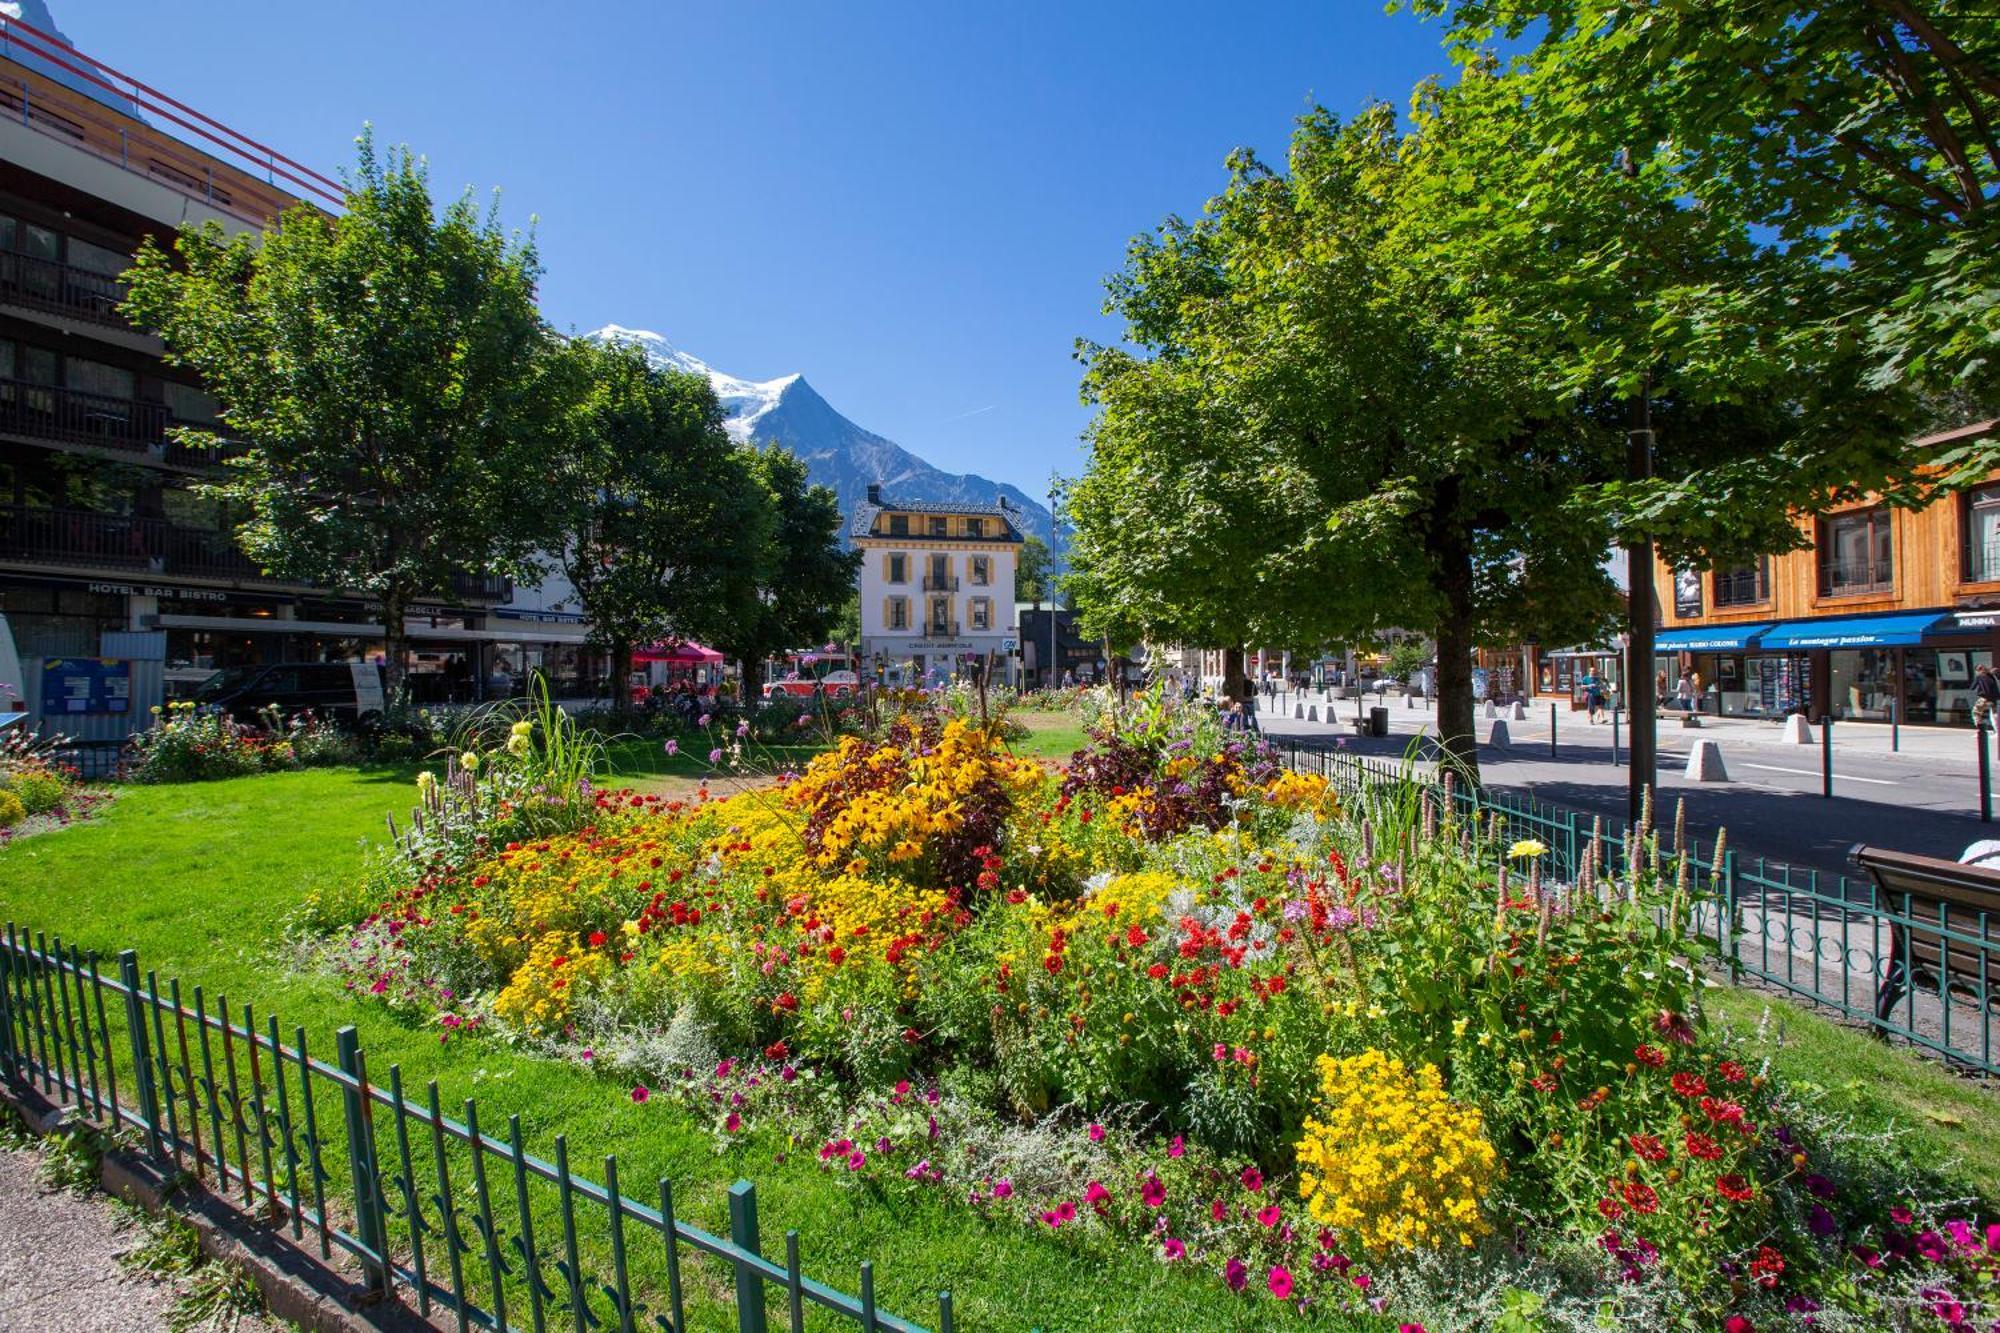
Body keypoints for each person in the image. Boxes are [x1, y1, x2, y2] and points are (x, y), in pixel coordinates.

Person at [1974, 663, 2000, 728]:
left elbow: (1972, 687)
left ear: (1978, 671)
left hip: (1984, 698)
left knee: (1976, 712)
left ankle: (1979, 730)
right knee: (1994, 714)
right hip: (1995, 698)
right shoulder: (1991, 675)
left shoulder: (1980, 677)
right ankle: (1997, 731)